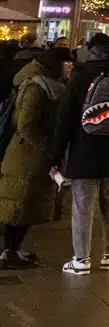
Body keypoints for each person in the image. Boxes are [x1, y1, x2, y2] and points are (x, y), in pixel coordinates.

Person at [50, 53, 109, 275]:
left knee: (82, 206)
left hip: (85, 153)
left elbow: (65, 121)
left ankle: (81, 260)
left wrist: (56, 157)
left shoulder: (81, 78)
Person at [0, 48, 72, 267]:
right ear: (55, 65)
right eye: (67, 64)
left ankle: (13, 250)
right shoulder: (36, 88)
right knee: (18, 206)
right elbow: (25, 126)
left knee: (24, 206)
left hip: (34, 156)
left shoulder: (51, 86)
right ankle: (9, 252)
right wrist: (49, 149)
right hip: (26, 157)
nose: (70, 68)